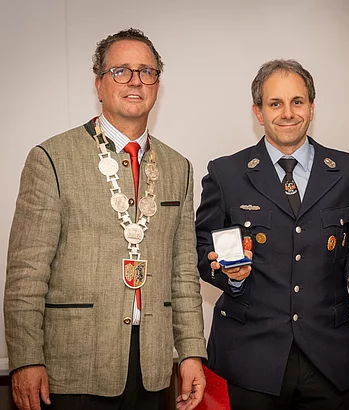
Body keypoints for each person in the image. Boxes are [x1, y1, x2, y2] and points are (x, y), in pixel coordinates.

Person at [4, 28, 207, 410]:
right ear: (99, 84)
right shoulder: (52, 159)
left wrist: (192, 352)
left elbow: (183, 271)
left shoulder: (178, 167)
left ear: (157, 85)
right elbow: (26, 274)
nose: (135, 80)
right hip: (73, 367)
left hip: (151, 366)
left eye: (146, 72)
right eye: (121, 71)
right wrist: (26, 359)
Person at [195, 59, 349, 410]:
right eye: (275, 103)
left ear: (312, 107)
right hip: (253, 357)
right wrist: (229, 276)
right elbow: (202, 245)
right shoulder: (227, 173)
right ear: (258, 112)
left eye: (297, 102)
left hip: (329, 356)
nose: (288, 113)